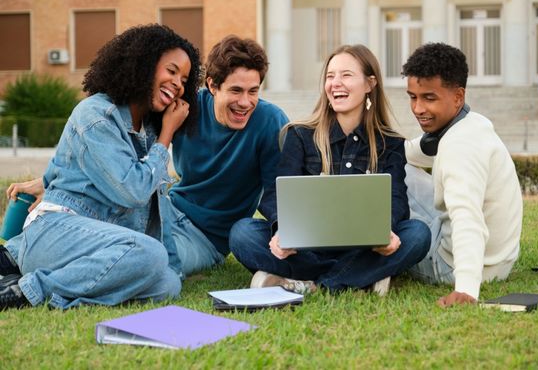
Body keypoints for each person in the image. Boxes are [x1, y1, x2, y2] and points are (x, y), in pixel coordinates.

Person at [0, 24, 201, 310]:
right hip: (56, 232)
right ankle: (26, 290)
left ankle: (63, 289)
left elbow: (159, 211)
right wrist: (167, 137)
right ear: (144, 64)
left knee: (168, 284)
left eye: (184, 79)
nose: (178, 84)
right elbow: (133, 191)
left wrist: (173, 268)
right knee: (150, 254)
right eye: (171, 71)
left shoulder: (147, 131)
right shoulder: (95, 115)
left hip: (98, 247)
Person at [229, 45, 431, 295]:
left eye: (346, 75)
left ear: (369, 84)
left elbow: (397, 199)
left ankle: (311, 283)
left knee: (418, 234)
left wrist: (385, 232)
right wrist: (282, 230)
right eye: (330, 76)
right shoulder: (300, 135)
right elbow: (275, 195)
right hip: (306, 248)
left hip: (365, 247)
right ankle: (360, 278)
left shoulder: (390, 143)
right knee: (242, 233)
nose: (336, 83)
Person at [402, 42, 523, 307]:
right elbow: (414, 152)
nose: (418, 108)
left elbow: (467, 217)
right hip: (500, 259)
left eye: (429, 98)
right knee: (399, 165)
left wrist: (466, 288)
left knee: (393, 188)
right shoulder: (472, 124)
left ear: (458, 97)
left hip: (452, 266)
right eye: (413, 96)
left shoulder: (459, 147)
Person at [165, 35, 289, 277]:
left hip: (207, 238)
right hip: (169, 211)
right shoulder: (187, 108)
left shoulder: (270, 121)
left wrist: (284, 231)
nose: (245, 102)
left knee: (158, 259)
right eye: (236, 90)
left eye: (253, 91)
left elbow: (279, 190)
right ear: (212, 86)